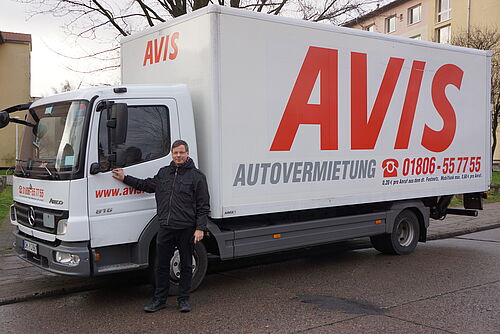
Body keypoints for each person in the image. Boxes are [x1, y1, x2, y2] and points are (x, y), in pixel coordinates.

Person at [112, 139, 210, 313]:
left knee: (186, 266)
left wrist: (200, 228)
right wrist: (125, 178)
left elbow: (203, 205)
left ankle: (184, 300)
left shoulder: (197, 176)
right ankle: (159, 300)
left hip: (186, 228)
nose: (178, 156)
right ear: (172, 154)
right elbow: (147, 185)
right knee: (161, 266)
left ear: (187, 153)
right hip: (165, 227)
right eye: (175, 153)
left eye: (181, 152)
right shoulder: (164, 173)